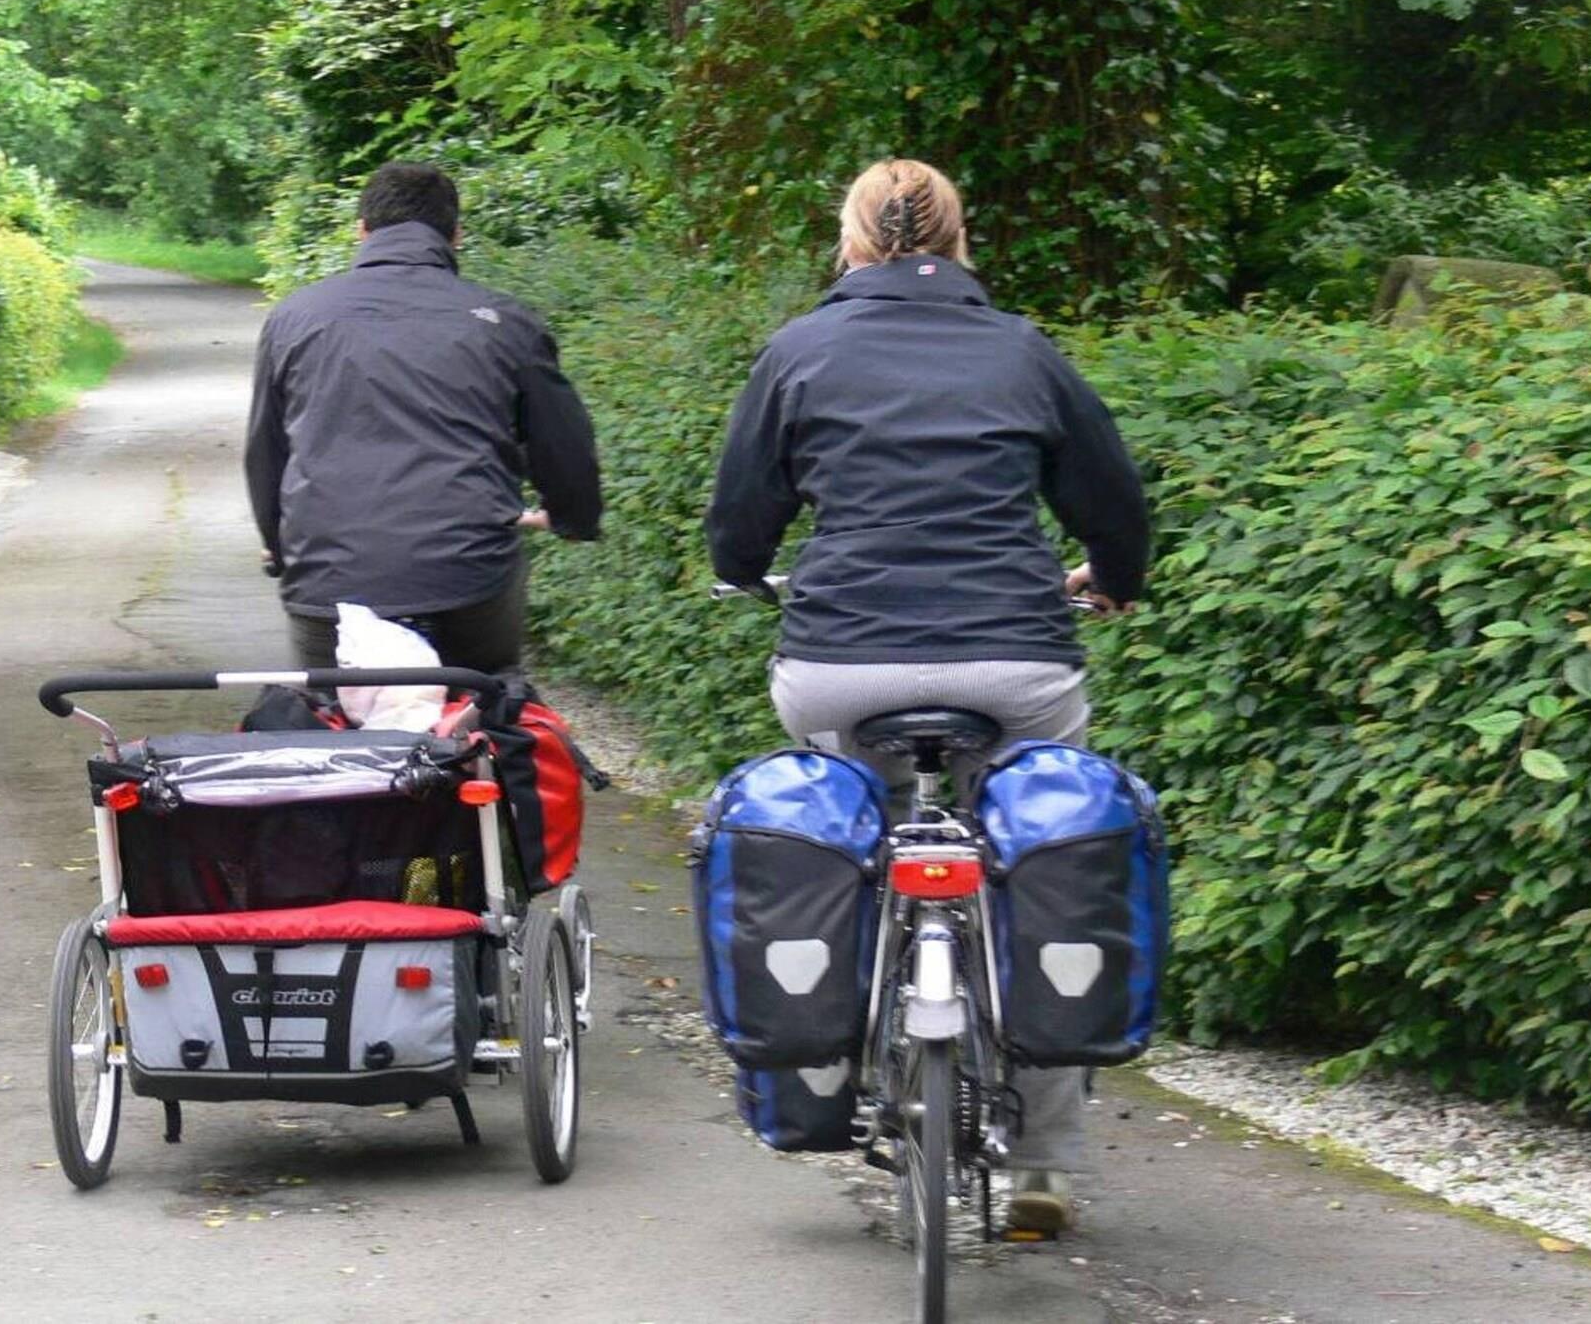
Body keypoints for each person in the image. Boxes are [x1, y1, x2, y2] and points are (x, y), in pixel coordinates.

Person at [704, 158, 1150, 1236]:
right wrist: (1111, 581)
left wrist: (744, 572)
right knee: (1037, 859)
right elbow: (1113, 505)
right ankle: (1043, 1163)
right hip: (1014, 663)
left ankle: (840, 1048)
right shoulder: (1023, 350)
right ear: (960, 240)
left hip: (839, 665)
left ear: (849, 242)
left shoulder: (797, 351)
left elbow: (739, 517)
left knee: (844, 845)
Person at [245, 161, 602, 674]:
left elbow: (266, 452)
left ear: (362, 231)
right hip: (466, 576)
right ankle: (488, 717)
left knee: (326, 707)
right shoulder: (505, 322)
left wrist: (280, 548)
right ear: (456, 235)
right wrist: (573, 518)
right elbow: (564, 444)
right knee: (487, 696)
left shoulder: (294, 318)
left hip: (329, 578)